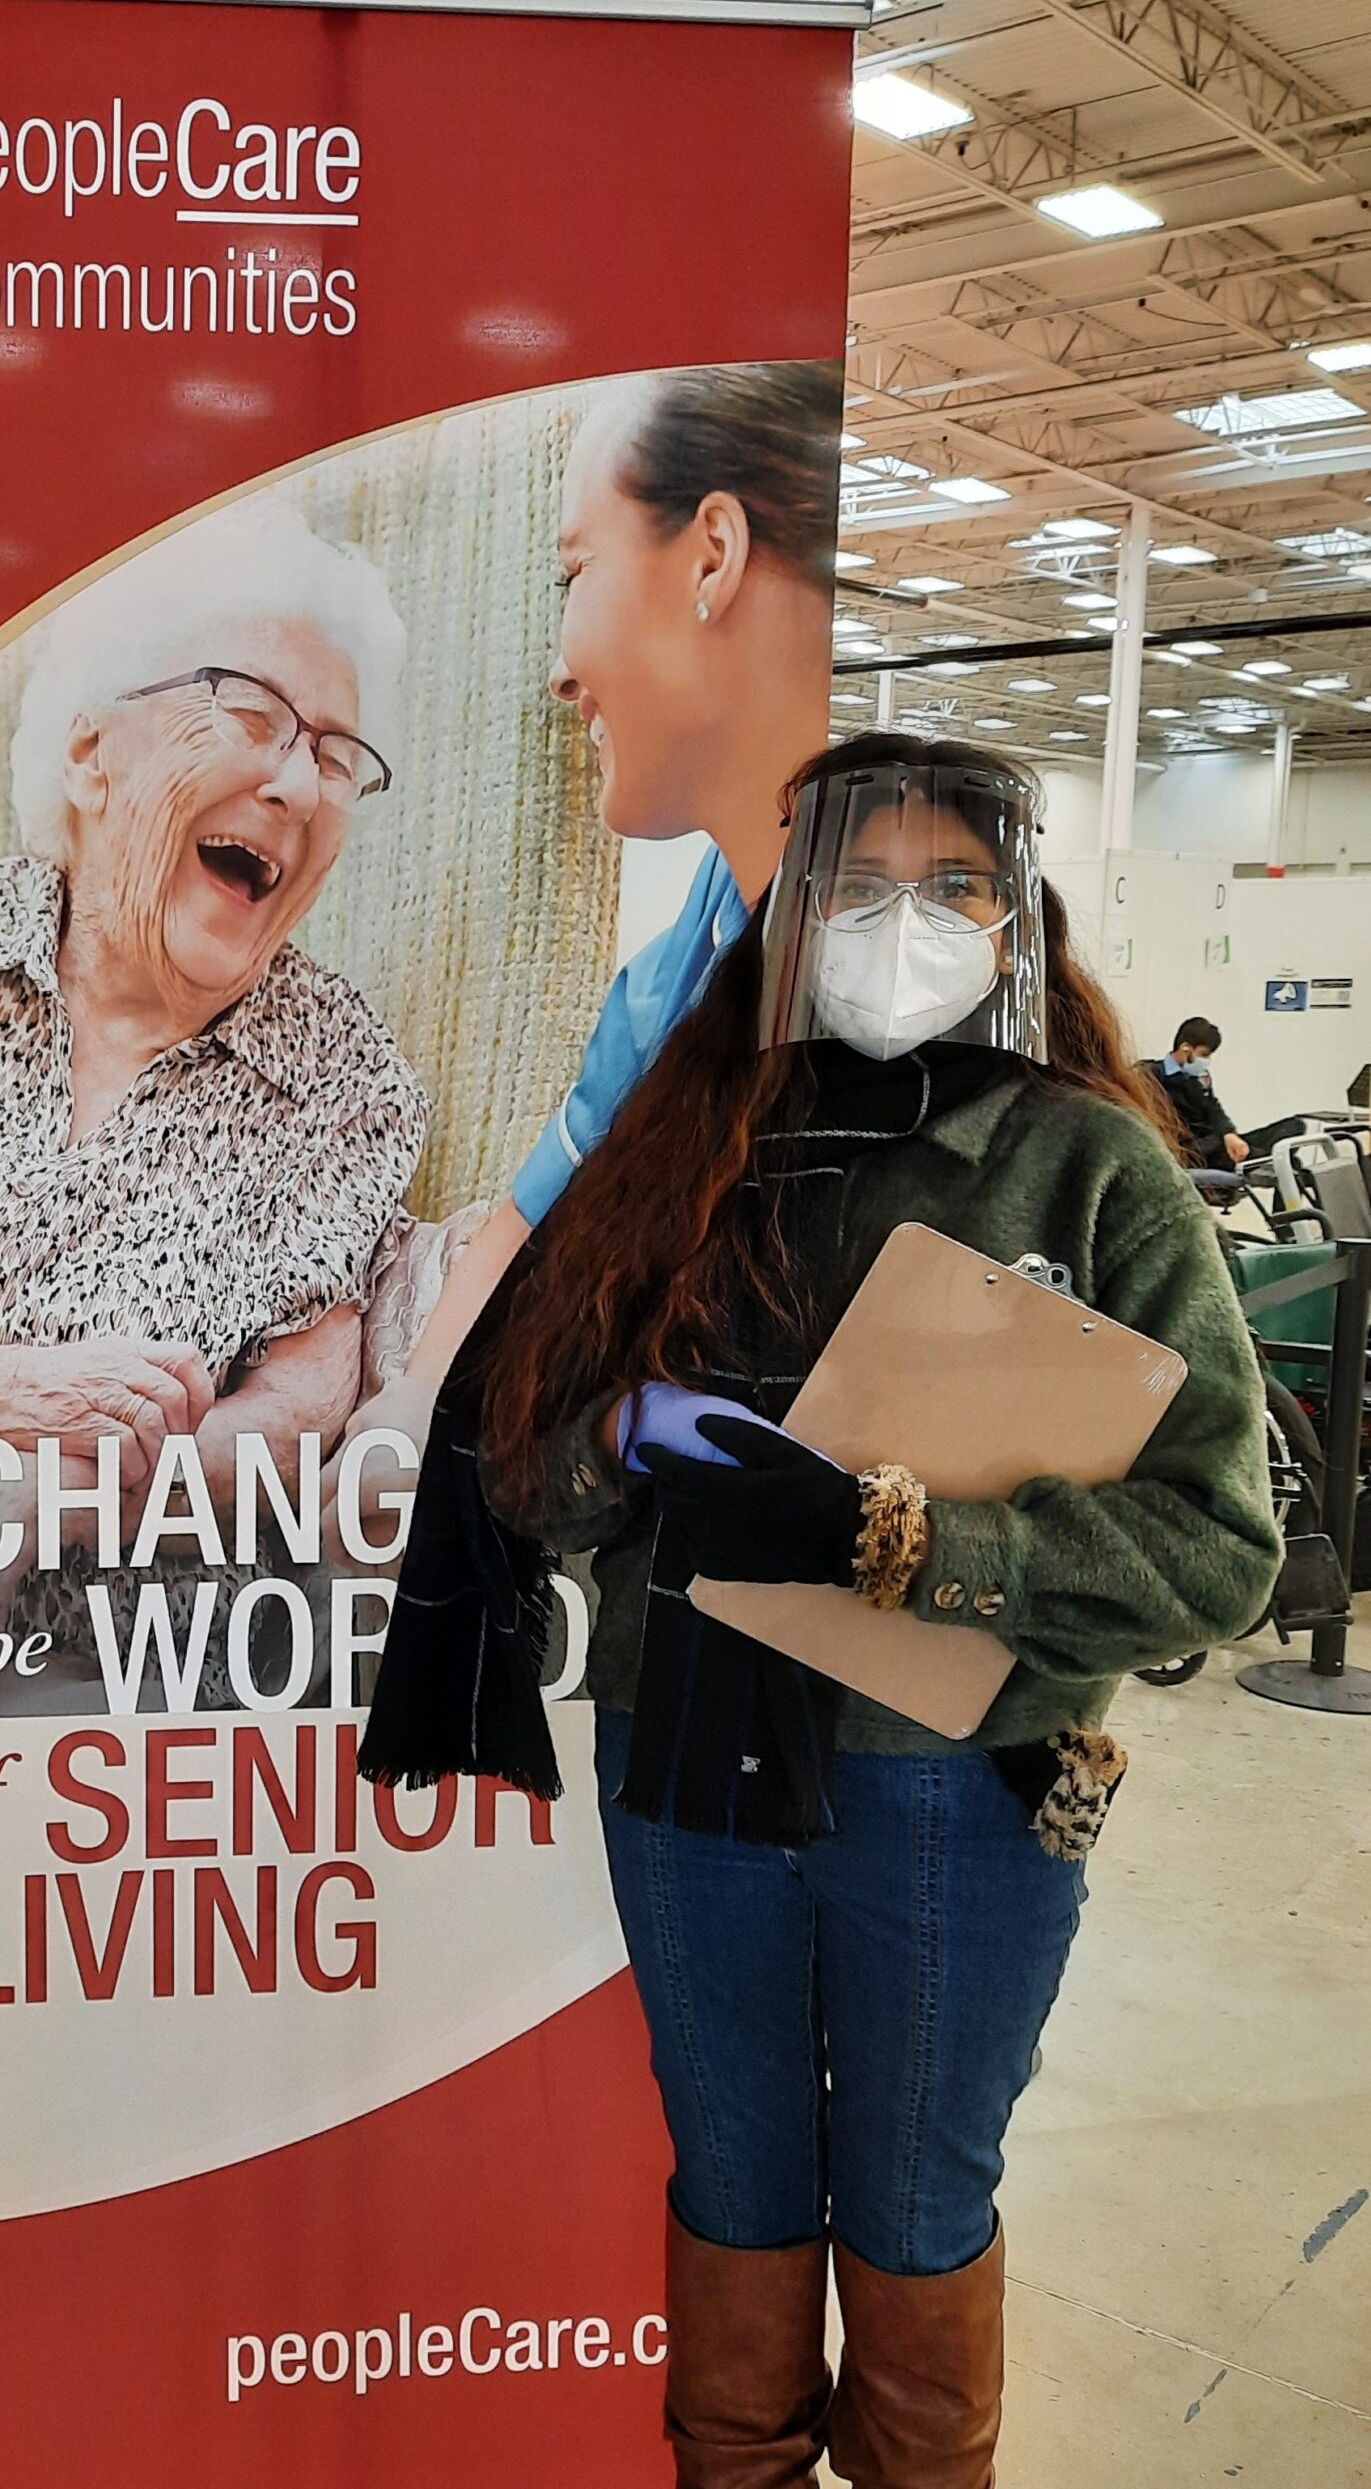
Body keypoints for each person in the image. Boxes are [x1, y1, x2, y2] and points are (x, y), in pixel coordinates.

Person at [366, 736, 1279, 2487]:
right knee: (732, 2184)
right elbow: (524, 1463)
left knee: (921, 2197)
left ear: (1015, 924)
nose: (899, 928)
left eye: (950, 891)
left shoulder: (1086, 1169)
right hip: (686, 1757)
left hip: (952, 1782)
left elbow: (1215, 1546)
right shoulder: (676, 1144)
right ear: (783, 917)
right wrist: (619, 1438)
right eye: (855, 891)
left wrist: (902, 1534)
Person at [0, 498, 428, 1717]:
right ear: (86, 751)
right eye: (255, 715)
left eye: (331, 755)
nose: (298, 786)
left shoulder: (340, 1070)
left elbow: (296, 1412)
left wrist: (34, 1509)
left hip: (148, 1708)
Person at [327, 361, 842, 1540]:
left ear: (712, 554)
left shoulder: (887, 957)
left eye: (575, 573)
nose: (559, 669)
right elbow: (528, 1206)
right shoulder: (689, 956)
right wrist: (412, 1402)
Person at [1143, 1015, 1249, 1170]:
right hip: (1178, 1150)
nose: (1207, 1061)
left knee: (1281, 1143)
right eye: (1204, 1054)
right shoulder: (1149, 1075)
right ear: (1185, 1047)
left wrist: (1228, 1133)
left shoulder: (1201, 1077)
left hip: (1206, 1145)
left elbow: (1212, 1107)